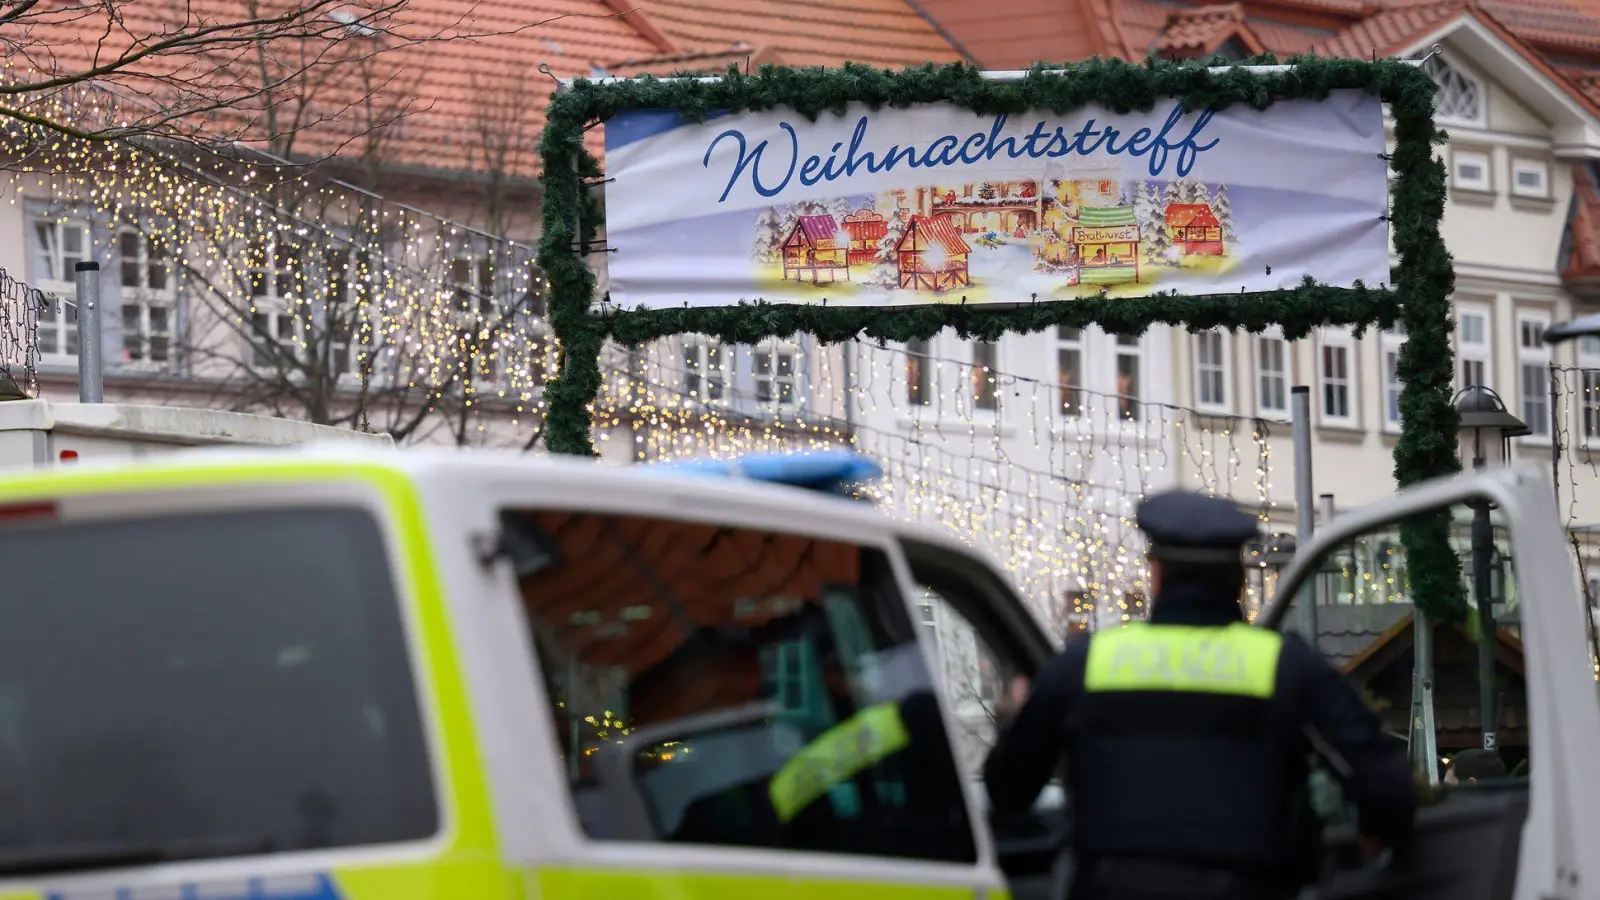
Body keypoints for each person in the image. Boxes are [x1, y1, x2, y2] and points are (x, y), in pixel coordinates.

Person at [983, 490, 1417, 900]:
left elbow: (1008, 790)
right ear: (1238, 583)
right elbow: (1387, 790)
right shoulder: (1287, 668)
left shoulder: (1086, 664)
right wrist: (1372, 839)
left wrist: (1014, 717)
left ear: (1155, 576)